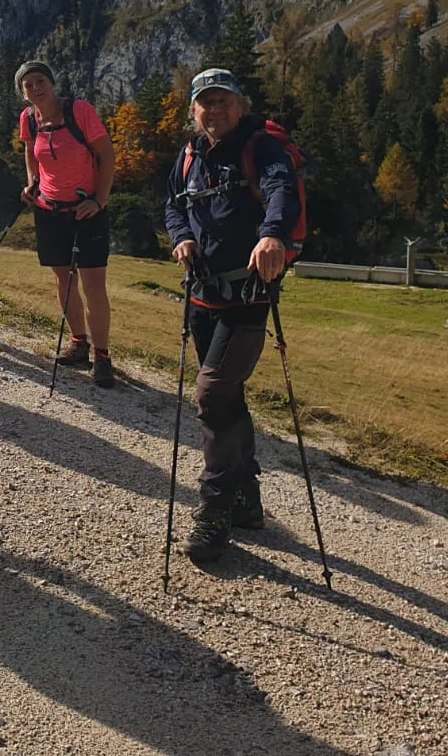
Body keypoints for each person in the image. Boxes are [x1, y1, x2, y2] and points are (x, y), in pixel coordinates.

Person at [164, 67, 298, 562]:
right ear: (194, 111)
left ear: (240, 106)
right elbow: (173, 206)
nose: (215, 109)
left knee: (212, 392)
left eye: (224, 101)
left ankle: (215, 511)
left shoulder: (261, 147)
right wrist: (181, 237)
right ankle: (246, 502)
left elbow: (281, 187)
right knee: (227, 397)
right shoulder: (189, 155)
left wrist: (273, 234)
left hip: (248, 296)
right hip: (203, 296)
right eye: (206, 102)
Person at [15, 61, 117, 388]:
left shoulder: (79, 111)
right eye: (28, 85)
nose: (36, 88)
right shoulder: (29, 119)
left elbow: (107, 156)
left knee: (93, 284)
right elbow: (31, 152)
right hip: (49, 210)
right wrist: (32, 183)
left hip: (87, 211)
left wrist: (99, 200)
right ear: (23, 93)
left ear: (52, 82)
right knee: (64, 279)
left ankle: (102, 356)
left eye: (40, 81)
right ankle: (79, 344)